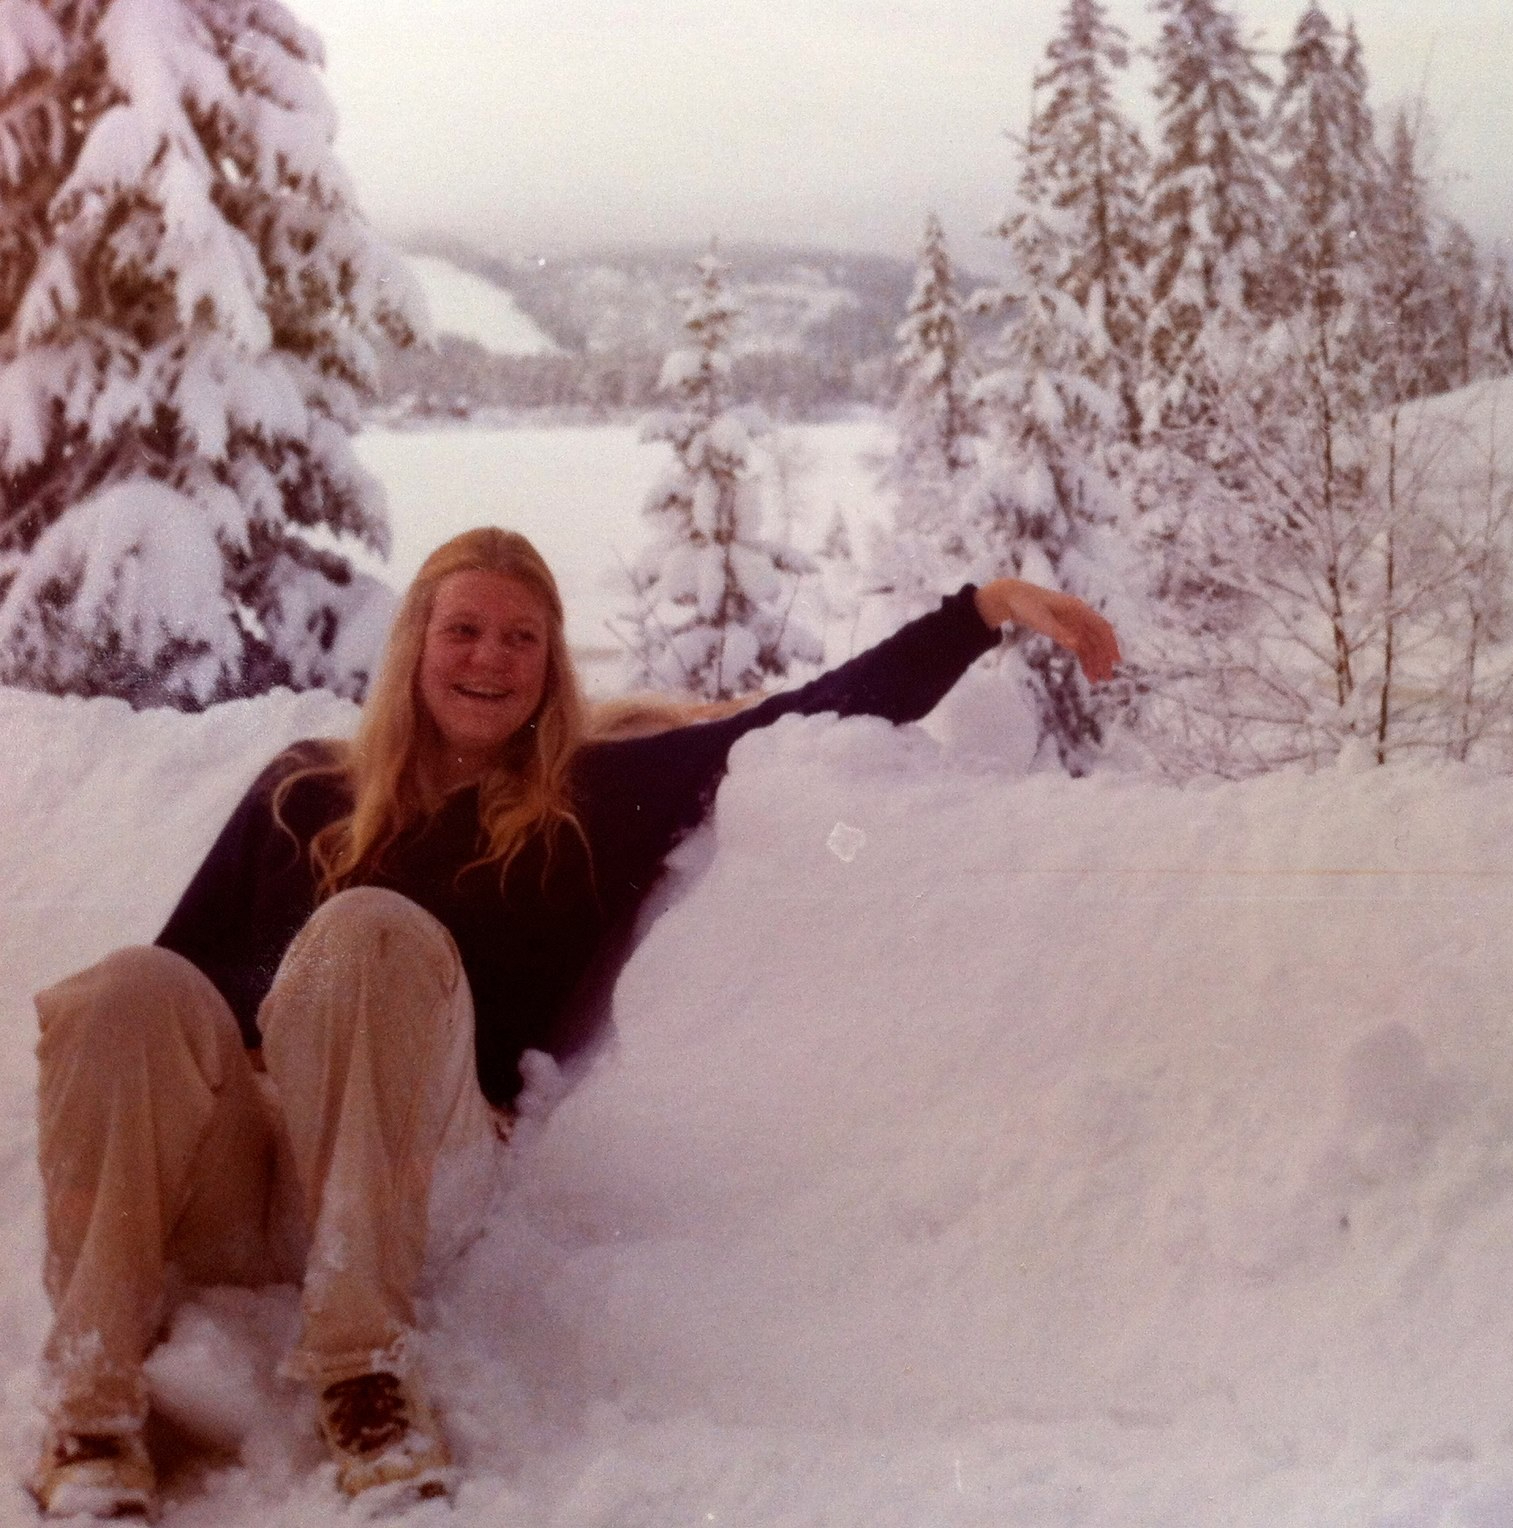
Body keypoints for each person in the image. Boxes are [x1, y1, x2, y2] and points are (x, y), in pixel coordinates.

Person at [28, 526, 1120, 1517]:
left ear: (551, 668)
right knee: (124, 985)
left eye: (521, 638)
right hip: (250, 1170)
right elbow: (165, 1020)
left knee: (366, 928)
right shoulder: (301, 790)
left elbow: (800, 716)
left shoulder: (595, 797)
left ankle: (362, 1370)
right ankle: (89, 1398)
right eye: (462, 629)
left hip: (414, 1167)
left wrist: (979, 613)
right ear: (415, 644)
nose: (488, 658)